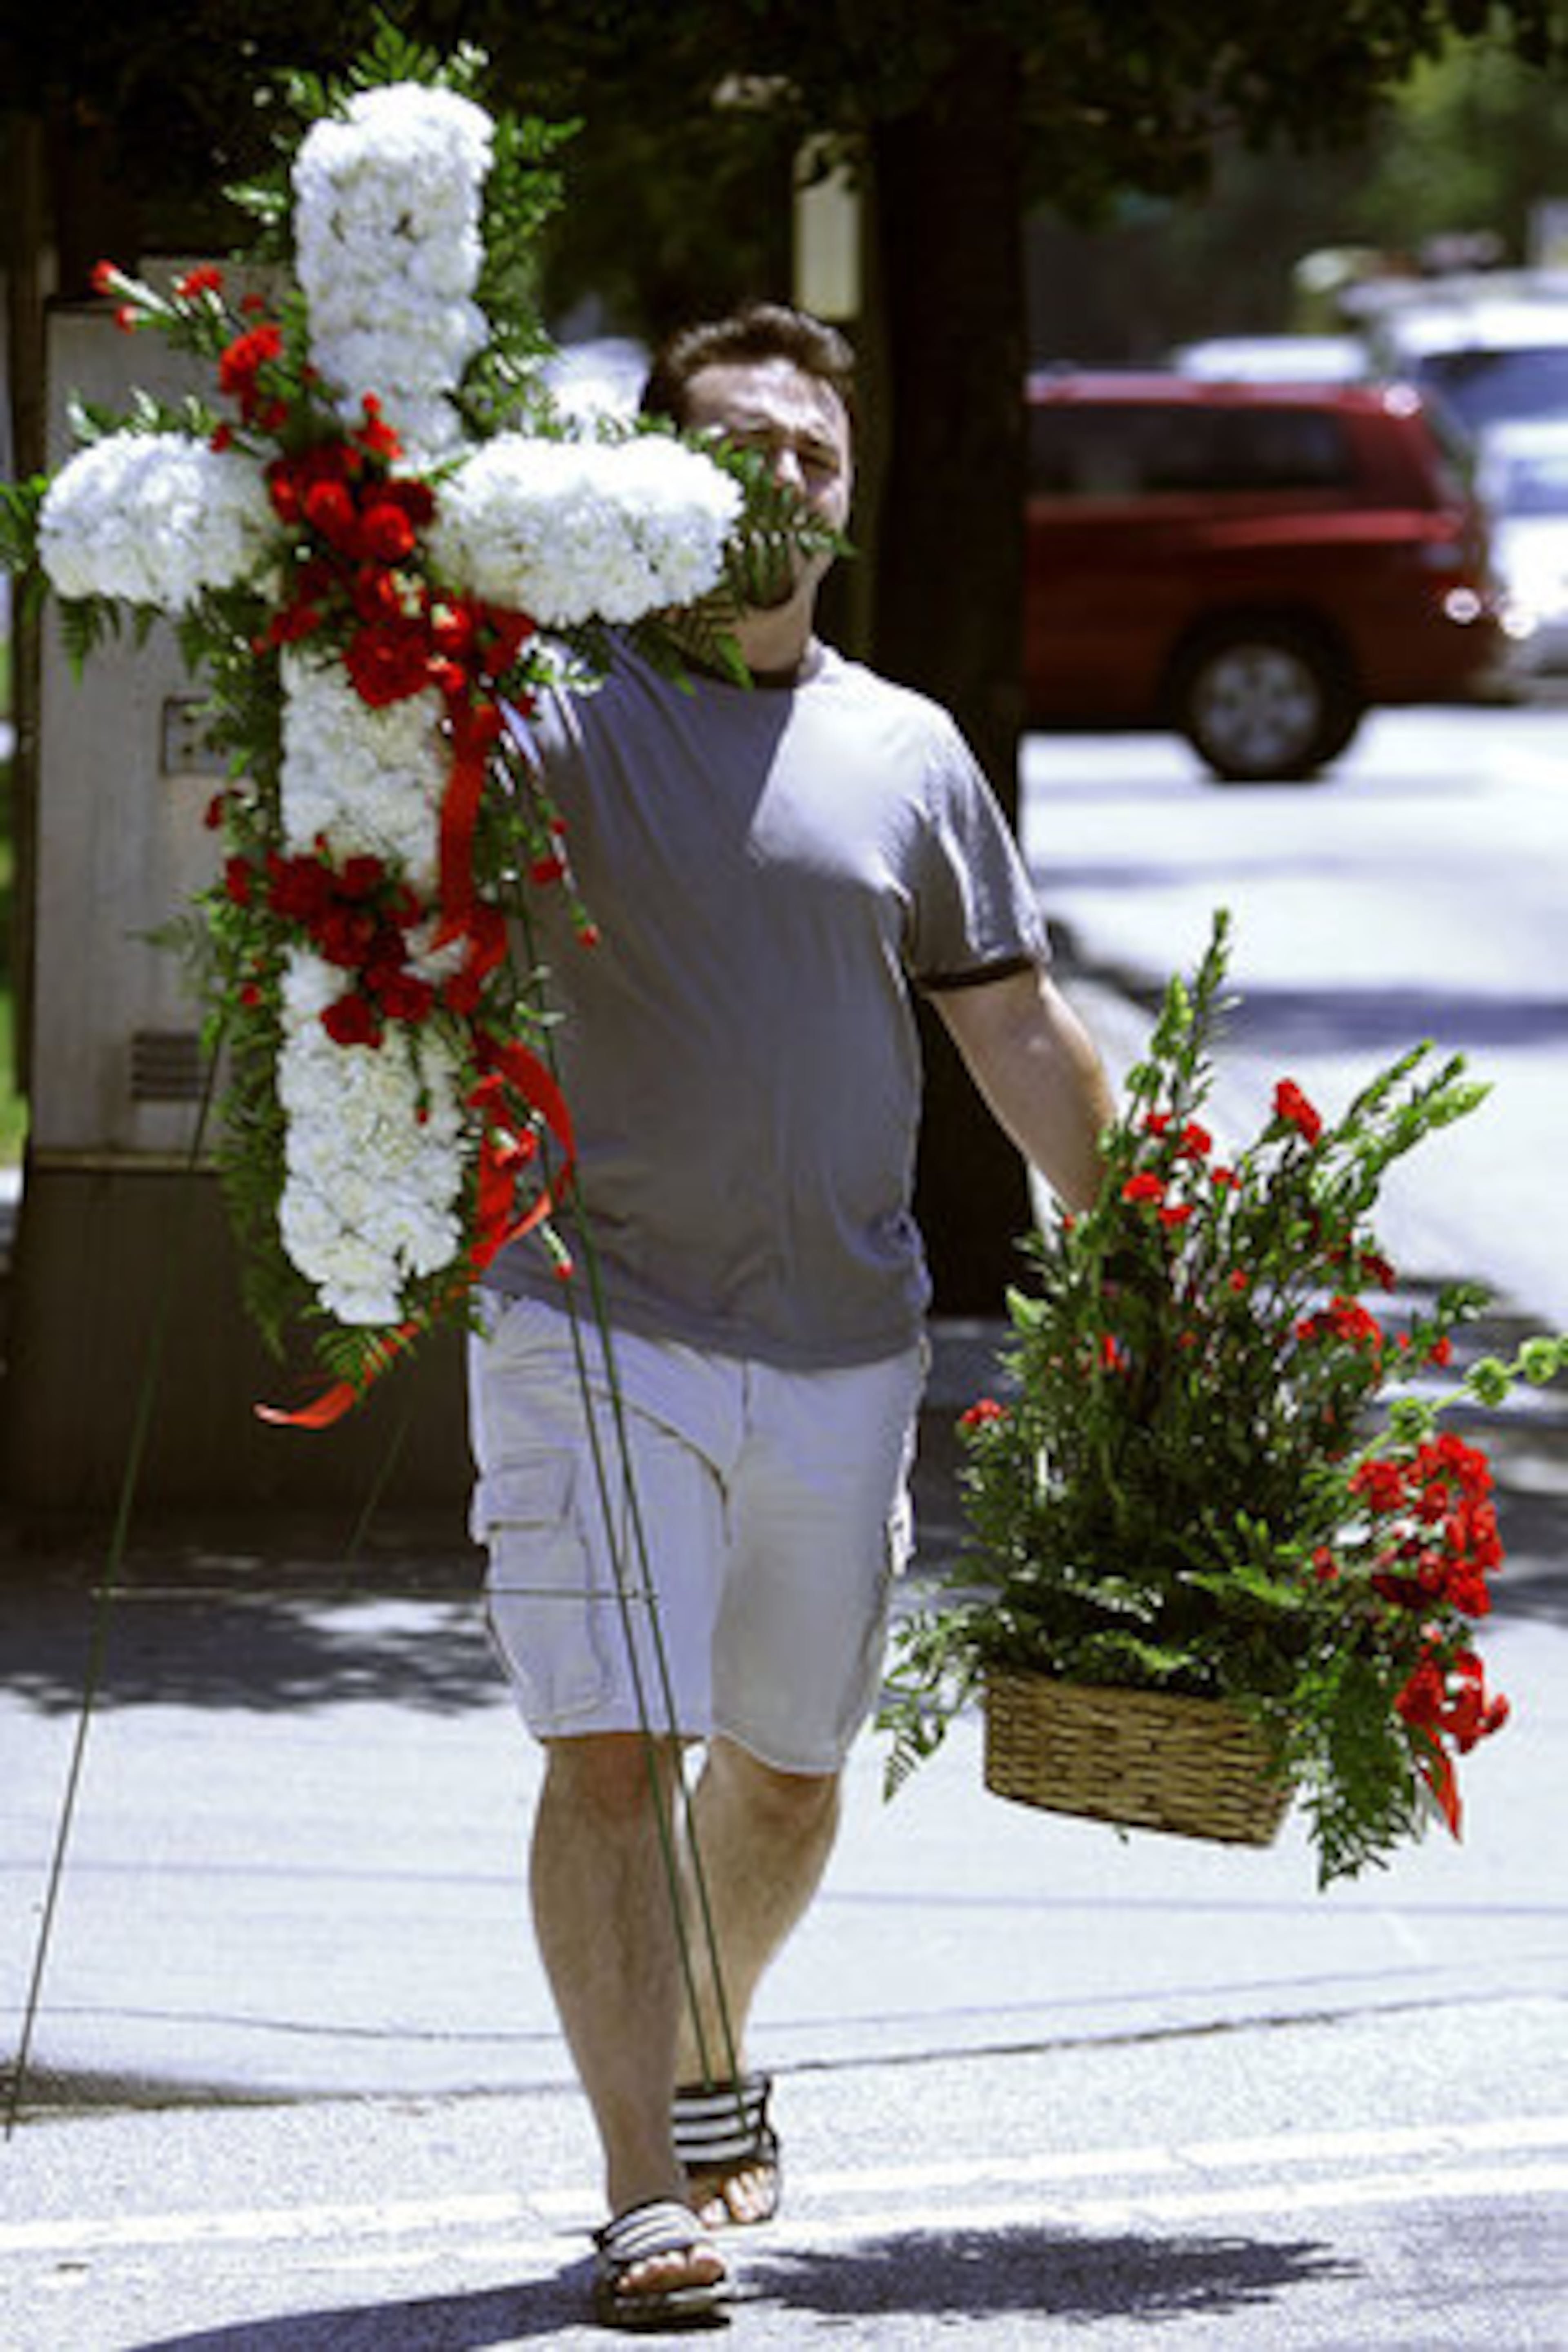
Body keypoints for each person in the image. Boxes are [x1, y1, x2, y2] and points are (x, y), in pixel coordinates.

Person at [467, 300, 1116, 2328]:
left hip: (848, 1340)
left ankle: (700, 2033)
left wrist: (1163, 1256)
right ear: (661, 469)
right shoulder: (541, 708)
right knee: (611, 1755)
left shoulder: (905, 747)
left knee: (790, 1771)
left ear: (850, 493)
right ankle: (642, 2191)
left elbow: (1012, 1029)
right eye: (733, 444)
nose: (777, 480)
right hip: (592, 1315)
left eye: (811, 454)